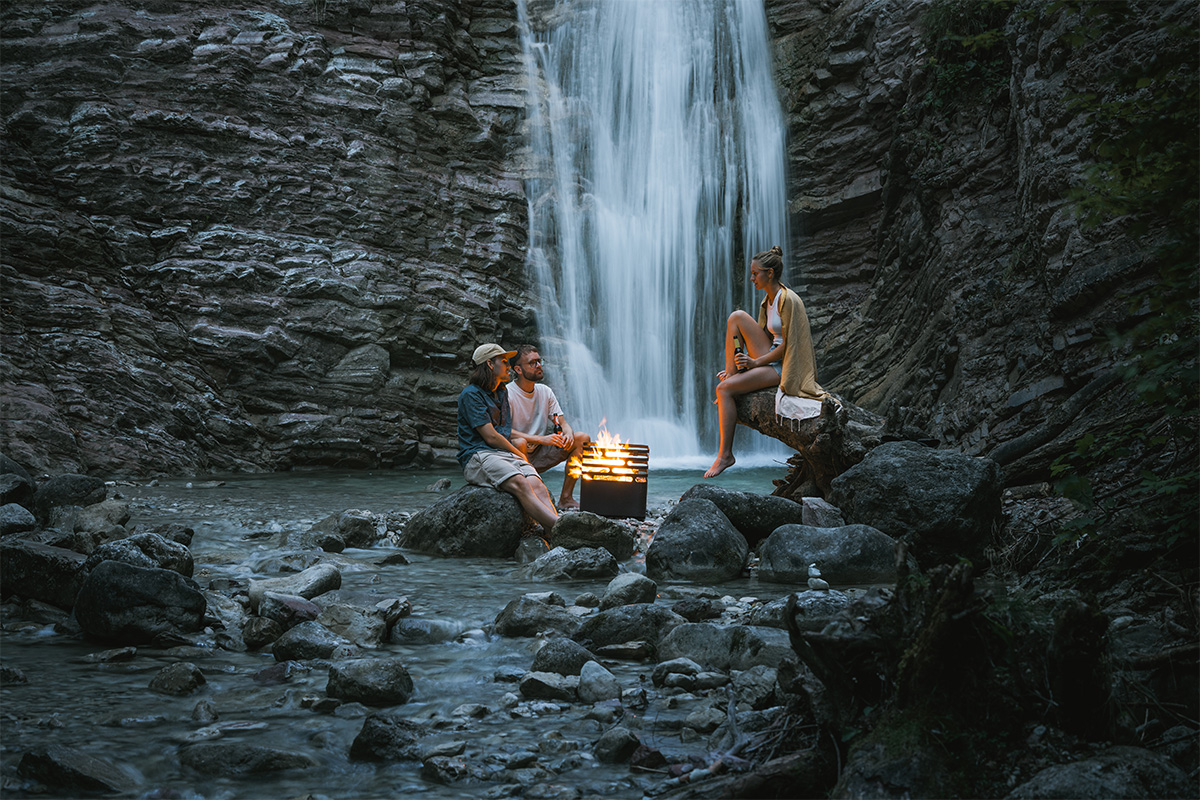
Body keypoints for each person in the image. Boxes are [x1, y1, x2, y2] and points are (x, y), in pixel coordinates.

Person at [704, 246, 829, 478]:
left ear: (769, 273)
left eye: (755, 273)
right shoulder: (768, 300)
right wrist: (744, 366)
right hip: (770, 355)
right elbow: (772, 339)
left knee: (723, 391)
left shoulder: (787, 300)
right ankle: (732, 374)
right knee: (736, 317)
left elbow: (787, 347)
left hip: (785, 365)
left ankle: (725, 455)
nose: (751, 278)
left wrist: (754, 363)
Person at [457, 343, 559, 530]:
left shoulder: (502, 391)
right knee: (520, 482)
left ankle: (556, 525)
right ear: (489, 364)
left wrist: (517, 457)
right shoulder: (471, 395)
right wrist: (519, 455)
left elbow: (504, 431)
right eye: (503, 362)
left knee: (536, 483)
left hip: (502, 454)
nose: (509, 366)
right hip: (479, 455)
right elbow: (491, 437)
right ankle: (559, 528)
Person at [506, 345, 592, 511]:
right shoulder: (508, 393)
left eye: (539, 361)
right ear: (518, 369)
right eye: (532, 363)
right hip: (515, 456)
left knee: (582, 438)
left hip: (539, 453)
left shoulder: (545, 391)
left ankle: (566, 498)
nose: (539, 365)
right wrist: (540, 439)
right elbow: (503, 431)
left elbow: (562, 422)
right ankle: (529, 500)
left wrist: (568, 433)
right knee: (520, 442)